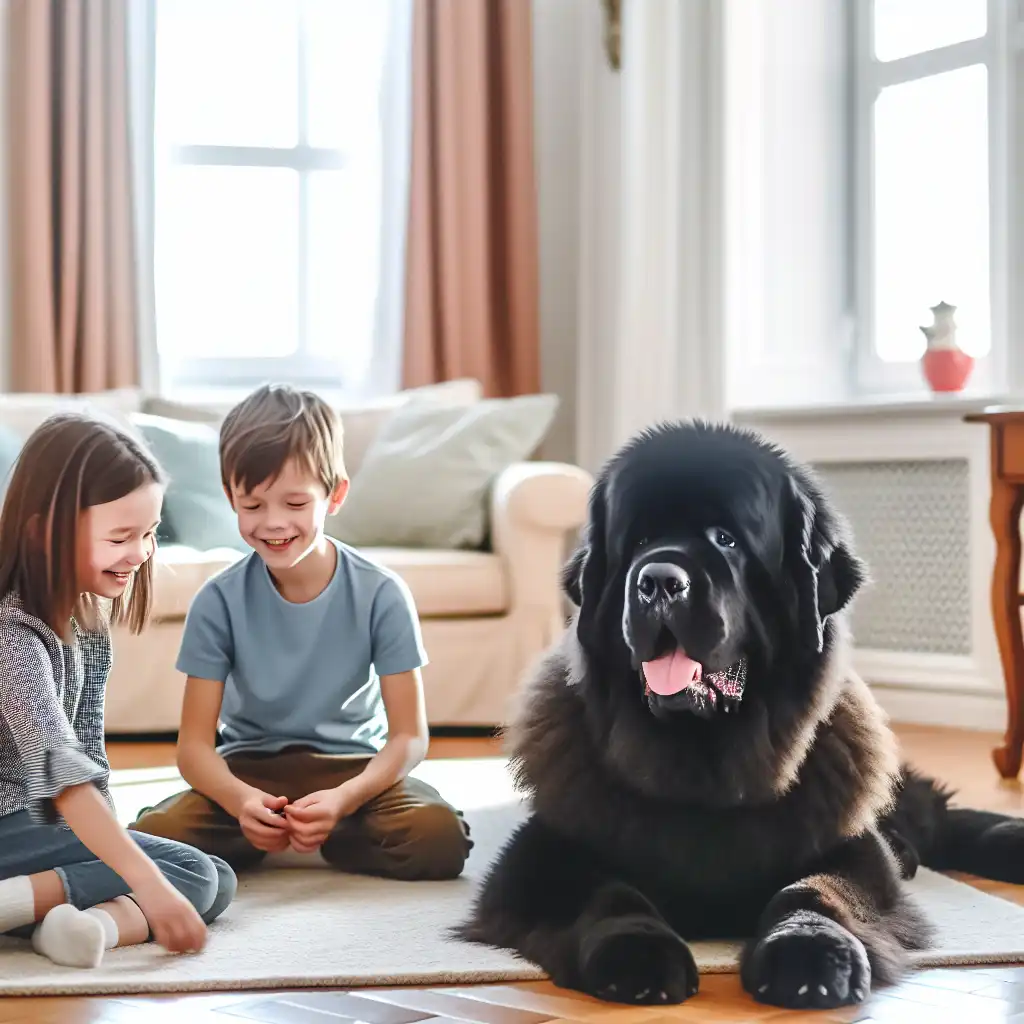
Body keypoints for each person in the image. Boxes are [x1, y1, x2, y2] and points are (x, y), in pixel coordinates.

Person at [131, 384, 471, 880]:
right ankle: (267, 834)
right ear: (230, 496)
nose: (273, 523)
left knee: (439, 840)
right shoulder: (217, 601)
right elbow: (195, 748)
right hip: (249, 769)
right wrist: (241, 801)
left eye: (294, 503)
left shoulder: (382, 593)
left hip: (355, 769)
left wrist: (344, 799)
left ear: (335, 495)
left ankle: (329, 832)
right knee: (157, 837)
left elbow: (408, 738)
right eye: (253, 505)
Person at [0, 413, 237, 969]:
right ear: (42, 530)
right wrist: (139, 874)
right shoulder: (11, 634)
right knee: (179, 875)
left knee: (212, 878)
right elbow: (62, 773)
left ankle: (86, 928)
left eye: (151, 532)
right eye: (120, 537)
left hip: (32, 827)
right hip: (11, 823)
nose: (142, 552)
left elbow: (89, 758)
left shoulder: (84, 623)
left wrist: (120, 849)